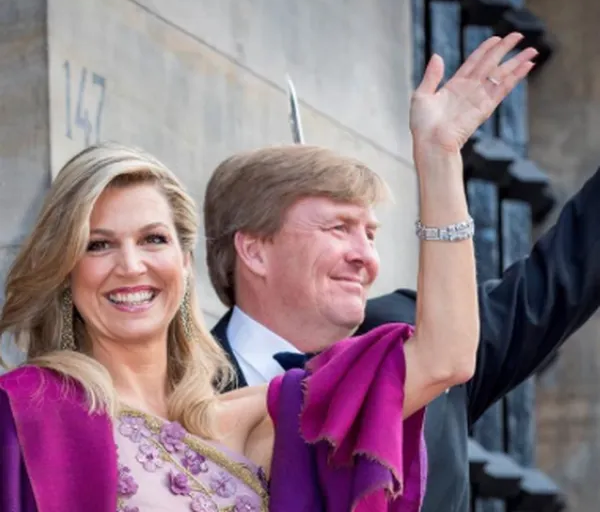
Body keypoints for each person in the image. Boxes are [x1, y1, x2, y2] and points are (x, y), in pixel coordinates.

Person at [0, 31, 521, 512]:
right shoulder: (24, 417)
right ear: (66, 269)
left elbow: (445, 358)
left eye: (154, 239)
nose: (131, 265)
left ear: (184, 262)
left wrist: (439, 155)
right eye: (98, 245)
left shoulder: (247, 421)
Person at [209, 33, 600, 512]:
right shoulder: (171, 386)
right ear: (254, 251)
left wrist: (440, 155)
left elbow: (569, 267)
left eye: (370, 235)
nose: (365, 257)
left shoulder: (421, 334)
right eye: (339, 228)